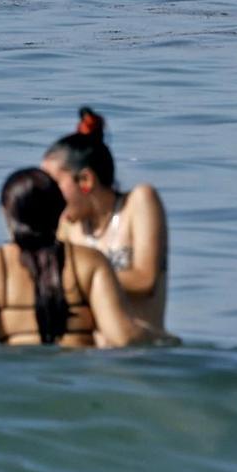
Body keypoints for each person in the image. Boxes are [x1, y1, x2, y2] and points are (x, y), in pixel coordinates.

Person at [0, 167, 140, 349]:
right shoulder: (91, 262)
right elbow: (122, 337)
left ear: (5, 212)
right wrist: (165, 339)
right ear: (60, 210)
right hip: (79, 377)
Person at [41, 107, 168, 334]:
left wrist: (80, 277)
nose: (47, 195)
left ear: (86, 180)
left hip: (142, 355)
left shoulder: (139, 202)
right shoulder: (68, 226)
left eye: (54, 184)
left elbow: (144, 280)